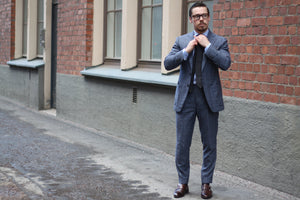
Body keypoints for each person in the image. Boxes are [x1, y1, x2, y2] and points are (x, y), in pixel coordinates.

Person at [164, 1, 231, 199]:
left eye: (204, 15)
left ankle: (206, 184)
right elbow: (167, 63)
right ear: (191, 19)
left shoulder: (219, 41)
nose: (201, 19)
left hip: (208, 99)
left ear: (208, 18)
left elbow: (226, 63)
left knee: (209, 143)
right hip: (186, 98)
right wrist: (187, 50)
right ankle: (182, 182)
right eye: (196, 16)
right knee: (182, 144)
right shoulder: (182, 40)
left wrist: (207, 46)